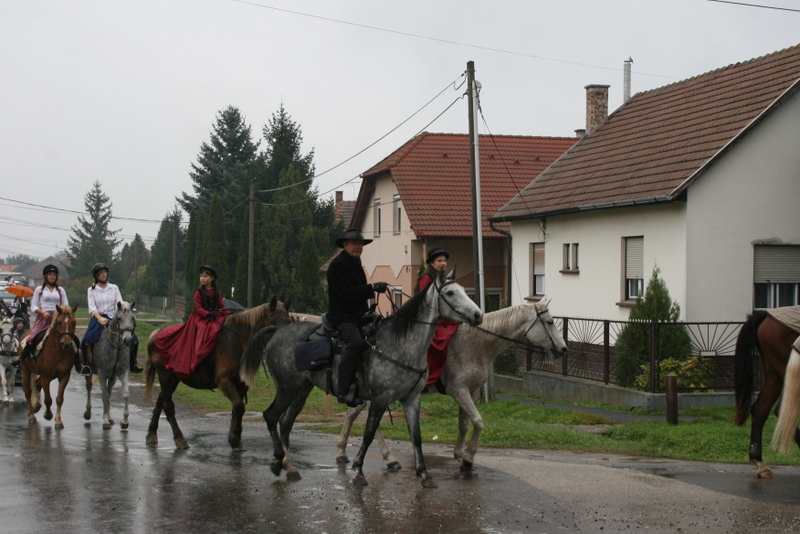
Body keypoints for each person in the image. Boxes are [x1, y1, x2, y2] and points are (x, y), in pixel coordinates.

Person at [326, 229, 388, 407]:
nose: (358, 247)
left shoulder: (355, 263)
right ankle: (344, 390)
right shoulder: (337, 265)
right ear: (345, 245)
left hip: (359, 314)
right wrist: (373, 287)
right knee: (354, 343)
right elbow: (347, 293)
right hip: (342, 316)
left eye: (360, 244)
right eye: (354, 243)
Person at [153, 265, 230, 378]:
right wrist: (208, 314)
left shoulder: (217, 292)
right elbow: (198, 308)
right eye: (201, 276)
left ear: (212, 278)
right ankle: (200, 353)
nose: (202, 278)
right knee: (206, 330)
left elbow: (221, 306)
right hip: (201, 317)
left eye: (205, 276)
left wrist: (229, 314)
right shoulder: (198, 292)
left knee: (223, 327)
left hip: (214, 316)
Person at [78, 262, 141, 377]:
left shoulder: (114, 288)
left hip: (113, 318)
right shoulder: (91, 290)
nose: (103, 274)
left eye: (105, 272)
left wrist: (127, 308)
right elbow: (92, 308)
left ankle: (133, 363)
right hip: (98, 318)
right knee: (88, 338)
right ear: (96, 275)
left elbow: (120, 303)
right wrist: (99, 318)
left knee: (134, 338)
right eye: (101, 272)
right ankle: (87, 364)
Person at [417, 247, 458, 394]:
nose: (443, 263)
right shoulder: (426, 279)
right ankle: (431, 377)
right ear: (432, 263)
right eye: (439, 261)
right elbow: (426, 303)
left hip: (442, 316)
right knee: (439, 339)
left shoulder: (445, 279)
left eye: (444, 261)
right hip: (428, 319)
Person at [11, 264, 68, 367]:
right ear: (46, 276)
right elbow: (33, 306)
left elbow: (65, 305)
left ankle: (78, 362)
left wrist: (61, 313)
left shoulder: (60, 290)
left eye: (54, 274)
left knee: (70, 337)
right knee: (32, 337)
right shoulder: (39, 289)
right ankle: (22, 358)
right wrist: (42, 312)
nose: (52, 276)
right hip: (43, 317)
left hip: (58, 318)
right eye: (50, 274)